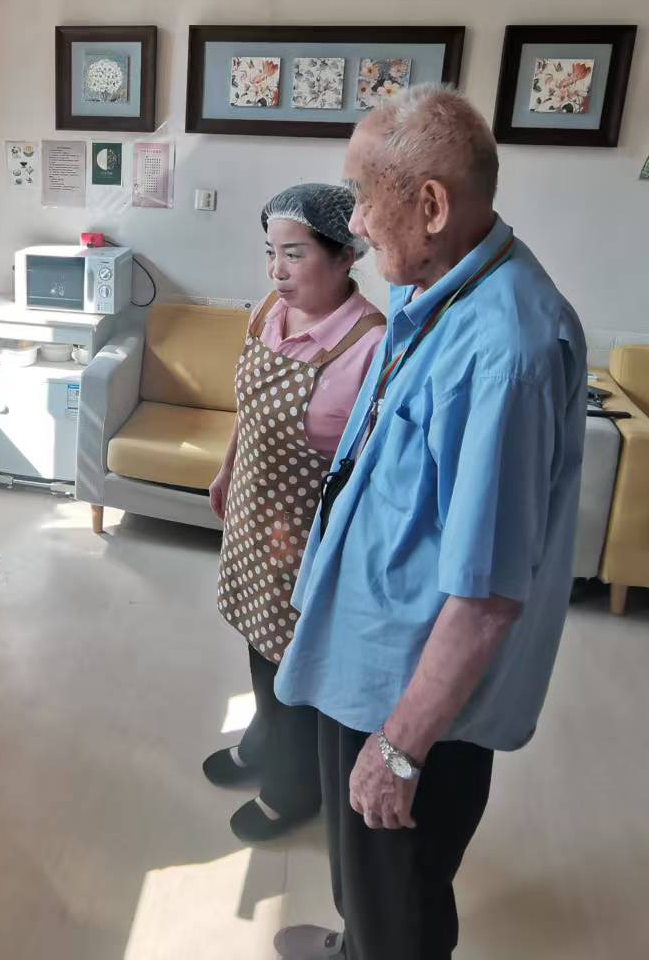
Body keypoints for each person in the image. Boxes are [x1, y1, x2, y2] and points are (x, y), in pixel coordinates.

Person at [272, 86, 586, 960]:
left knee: (400, 901)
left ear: (432, 205)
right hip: (367, 657)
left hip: (410, 697)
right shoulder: (441, 293)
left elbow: (487, 594)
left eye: (362, 197)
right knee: (365, 880)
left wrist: (401, 748)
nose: (355, 223)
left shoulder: (506, 351)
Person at [205, 184, 386, 843]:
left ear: (345, 256)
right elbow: (250, 408)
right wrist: (228, 468)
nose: (276, 271)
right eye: (270, 253)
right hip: (253, 509)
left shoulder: (370, 344)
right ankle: (263, 743)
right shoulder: (268, 312)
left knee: (292, 662)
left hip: (310, 531)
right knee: (257, 640)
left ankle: (295, 786)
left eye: (294, 254)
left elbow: (373, 464)